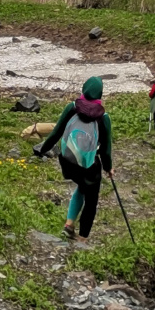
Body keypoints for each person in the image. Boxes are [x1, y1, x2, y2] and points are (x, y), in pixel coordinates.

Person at [35, 75, 113, 243]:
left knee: (82, 187)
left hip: (68, 161)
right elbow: (106, 150)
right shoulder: (103, 117)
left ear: (84, 89)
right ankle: (82, 238)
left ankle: (69, 225)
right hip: (88, 165)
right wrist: (108, 168)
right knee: (91, 199)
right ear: (100, 94)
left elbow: (56, 132)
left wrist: (42, 150)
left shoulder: (72, 107)